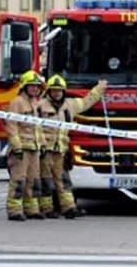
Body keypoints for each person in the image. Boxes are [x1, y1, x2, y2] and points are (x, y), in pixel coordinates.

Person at [37, 75, 107, 219]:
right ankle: (47, 209)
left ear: (63, 91)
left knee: (63, 180)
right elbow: (34, 127)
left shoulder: (70, 104)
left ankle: (69, 208)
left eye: (59, 90)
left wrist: (99, 89)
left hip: (61, 151)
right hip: (46, 151)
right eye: (54, 90)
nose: (57, 93)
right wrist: (40, 146)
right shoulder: (40, 106)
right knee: (46, 181)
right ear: (49, 91)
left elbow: (88, 101)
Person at [5, 70, 46, 221]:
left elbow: (38, 127)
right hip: (21, 149)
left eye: (37, 86)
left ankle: (32, 209)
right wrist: (17, 146)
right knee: (19, 180)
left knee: (33, 180)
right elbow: (11, 125)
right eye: (32, 86)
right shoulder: (17, 102)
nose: (35, 89)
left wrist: (42, 144)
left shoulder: (35, 103)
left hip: (34, 148)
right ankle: (14, 210)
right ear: (24, 87)